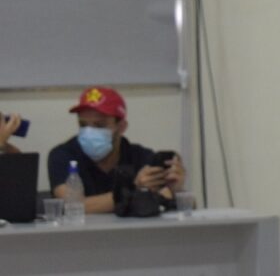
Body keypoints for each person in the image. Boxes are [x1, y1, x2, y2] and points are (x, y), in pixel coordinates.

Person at [48, 86, 186, 214]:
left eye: (99, 125)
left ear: (121, 127)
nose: (89, 132)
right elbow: (73, 206)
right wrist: (135, 191)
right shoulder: (63, 156)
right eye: (83, 124)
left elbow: (178, 205)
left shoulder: (141, 157)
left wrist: (176, 192)